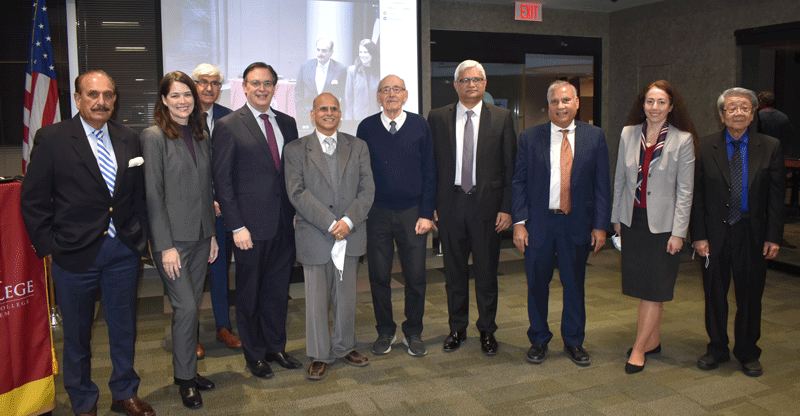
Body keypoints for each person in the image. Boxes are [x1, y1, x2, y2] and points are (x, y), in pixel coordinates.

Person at [21, 70, 155, 416]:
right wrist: (49, 246)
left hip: (122, 251)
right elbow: (33, 201)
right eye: (92, 94)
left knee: (124, 328)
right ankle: (83, 400)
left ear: (115, 100)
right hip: (73, 254)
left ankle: (124, 392)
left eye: (108, 95)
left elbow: (137, 196)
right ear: (78, 99)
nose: (101, 101)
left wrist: (138, 238)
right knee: (78, 336)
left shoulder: (129, 138)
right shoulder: (52, 138)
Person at [511, 80, 610, 367]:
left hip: (576, 224)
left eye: (566, 100)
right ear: (548, 106)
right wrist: (519, 222)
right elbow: (518, 182)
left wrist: (600, 225)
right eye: (555, 101)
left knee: (574, 284)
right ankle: (539, 339)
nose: (561, 106)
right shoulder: (530, 138)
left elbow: (602, 184)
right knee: (537, 285)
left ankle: (574, 340)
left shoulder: (595, 136)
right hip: (539, 225)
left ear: (577, 103)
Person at [212, 62, 302, 379]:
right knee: (249, 294)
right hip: (248, 228)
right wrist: (236, 226)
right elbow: (222, 182)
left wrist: (297, 215)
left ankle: (275, 347)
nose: (262, 88)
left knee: (277, 292)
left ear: (275, 87)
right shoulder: (227, 125)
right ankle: (255, 356)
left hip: (284, 225)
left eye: (267, 83)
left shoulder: (288, 124)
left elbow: (291, 175)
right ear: (245, 87)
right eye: (255, 83)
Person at [690, 87, 784, 377]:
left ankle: (747, 351)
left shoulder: (770, 146)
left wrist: (773, 236)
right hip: (715, 235)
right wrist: (699, 236)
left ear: (753, 113)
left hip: (752, 234)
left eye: (744, 107)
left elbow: (776, 198)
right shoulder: (705, 146)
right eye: (732, 108)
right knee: (714, 294)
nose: (738, 112)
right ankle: (716, 347)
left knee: (749, 296)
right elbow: (697, 196)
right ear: (721, 115)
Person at [140, 71, 218, 408]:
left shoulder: (200, 134)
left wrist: (212, 235)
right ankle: (185, 379)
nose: (183, 101)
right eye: (175, 95)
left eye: (187, 94)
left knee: (192, 308)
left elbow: (206, 189)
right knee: (185, 307)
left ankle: (187, 370)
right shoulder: (153, 136)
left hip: (201, 236)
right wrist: (165, 245)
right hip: (173, 242)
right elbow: (153, 195)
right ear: (163, 100)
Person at [428, 60, 516, 355]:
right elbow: (432, 167)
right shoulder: (438, 117)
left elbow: (509, 167)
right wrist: (433, 206)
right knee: (453, 273)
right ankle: (457, 328)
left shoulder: (502, 118)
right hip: (451, 205)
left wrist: (507, 207)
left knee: (487, 273)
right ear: (455, 85)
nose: (471, 85)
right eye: (465, 80)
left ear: (485, 83)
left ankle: (487, 331)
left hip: (488, 208)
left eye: (477, 79)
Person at [284, 93, 375, 380]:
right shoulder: (296, 149)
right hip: (315, 235)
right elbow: (297, 192)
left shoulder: (358, 146)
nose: (329, 113)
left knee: (346, 297)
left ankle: (345, 346)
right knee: (316, 300)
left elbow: (367, 189)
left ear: (340, 113)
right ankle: (320, 354)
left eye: (334, 108)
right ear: (312, 114)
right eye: (322, 109)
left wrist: (347, 220)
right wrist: (330, 223)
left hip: (350, 233)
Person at [610, 80, 697, 374]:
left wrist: (679, 232)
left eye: (661, 102)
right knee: (642, 284)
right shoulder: (628, 134)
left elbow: (686, 191)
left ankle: (638, 349)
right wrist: (617, 218)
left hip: (663, 227)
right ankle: (653, 340)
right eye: (650, 101)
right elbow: (620, 179)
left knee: (654, 289)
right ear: (642, 104)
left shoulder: (682, 140)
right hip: (633, 220)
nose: (655, 107)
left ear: (671, 106)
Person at [357, 75, 436, 357]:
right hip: (376, 213)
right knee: (378, 275)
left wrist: (427, 213)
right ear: (378, 96)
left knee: (415, 276)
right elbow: (359, 173)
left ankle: (413, 332)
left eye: (396, 89)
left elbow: (430, 171)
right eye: (385, 90)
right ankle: (385, 331)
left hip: (412, 213)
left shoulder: (419, 125)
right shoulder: (366, 127)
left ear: (406, 95)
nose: (391, 94)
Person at [190, 63, 241, 356]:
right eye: (203, 81)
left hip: (223, 210)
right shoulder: (180, 116)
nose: (209, 87)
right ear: (194, 84)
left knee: (221, 270)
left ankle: (223, 326)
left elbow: (233, 165)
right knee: (194, 275)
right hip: (193, 211)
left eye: (215, 83)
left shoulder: (229, 118)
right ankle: (190, 333)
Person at [295, 38, 347, 127]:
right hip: (307, 116)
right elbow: (298, 92)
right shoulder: (305, 66)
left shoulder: (340, 69)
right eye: (318, 50)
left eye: (324, 51)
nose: (320, 53)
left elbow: (343, 95)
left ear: (331, 52)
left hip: (330, 117)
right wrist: (301, 112)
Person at [344, 39, 380, 120]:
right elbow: (348, 99)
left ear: (372, 53)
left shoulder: (380, 71)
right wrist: (349, 121)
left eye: (366, 52)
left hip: (375, 118)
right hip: (358, 118)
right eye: (360, 52)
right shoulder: (352, 71)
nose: (362, 55)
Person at [756, 91, 795, 156]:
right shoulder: (783, 116)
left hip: (761, 152)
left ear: (760, 101)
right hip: (778, 152)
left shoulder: (757, 117)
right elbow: (790, 136)